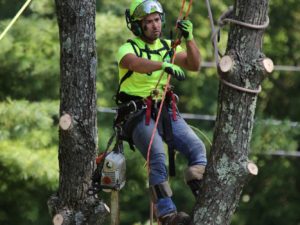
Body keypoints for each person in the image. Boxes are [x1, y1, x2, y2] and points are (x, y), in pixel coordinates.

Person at [115, 0, 207, 224]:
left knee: (197, 148)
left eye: (157, 20)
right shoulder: (128, 48)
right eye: (148, 22)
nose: (155, 25)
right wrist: (162, 66)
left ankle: (197, 182)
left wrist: (190, 39)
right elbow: (134, 63)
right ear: (138, 26)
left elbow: (195, 65)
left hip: (165, 110)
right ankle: (166, 213)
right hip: (138, 114)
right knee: (157, 154)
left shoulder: (169, 47)